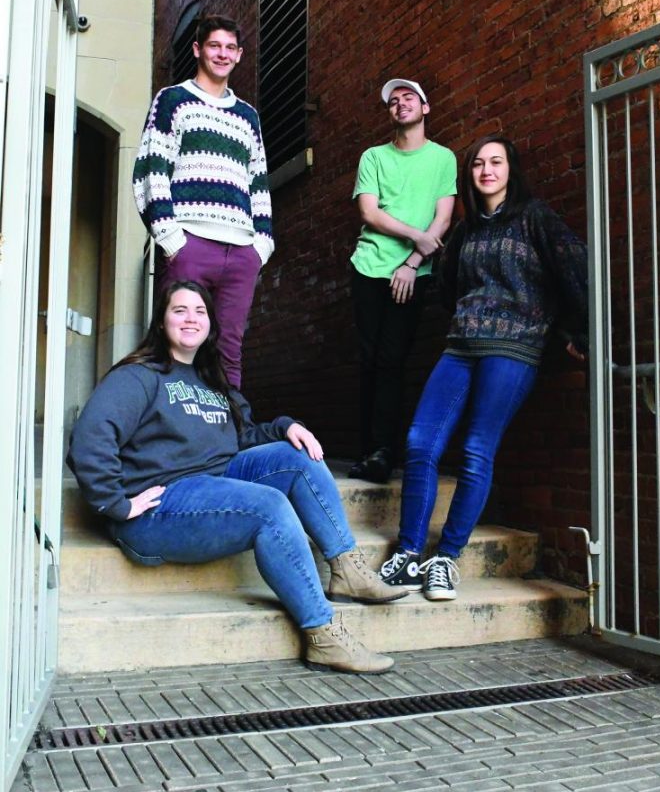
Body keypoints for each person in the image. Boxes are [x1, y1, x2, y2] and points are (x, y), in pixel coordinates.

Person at [67, 280, 408, 674]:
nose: (191, 319)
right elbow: (90, 437)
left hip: (214, 481)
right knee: (269, 507)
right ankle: (323, 633)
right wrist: (117, 503)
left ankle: (347, 569)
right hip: (161, 506)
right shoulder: (140, 376)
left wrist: (285, 427)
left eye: (200, 311)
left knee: (296, 456)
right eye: (179, 310)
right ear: (161, 323)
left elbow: (242, 437)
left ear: (211, 324)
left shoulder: (213, 381)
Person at [378, 135, 588, 600]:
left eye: (496, 162)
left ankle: (446, 559)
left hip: (513, 350)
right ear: (470, 173)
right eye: (478, 163)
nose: (486, 170)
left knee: (476, 450)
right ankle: (410, 553)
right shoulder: (467, 230)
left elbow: (576, 266)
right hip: (461, 346)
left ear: (510, 169)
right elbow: (448, 285)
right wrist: (467, 316)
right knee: (420, 443)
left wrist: (578, 332)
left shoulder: (536, 219)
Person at [133, 14, 272, 390]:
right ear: (198, 49)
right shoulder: (173, 100)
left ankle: (226, 438)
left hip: (242, 249)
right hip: (189, 243)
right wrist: (171, 237)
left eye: (230, 48)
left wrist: (261, 244)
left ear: (240, 55)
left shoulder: (247, 116)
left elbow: (257, 180)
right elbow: (151, 169)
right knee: (173, 344)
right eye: (214, 46)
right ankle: (165, 436)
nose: (222, 54)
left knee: (228, 348)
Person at [349, 78, 457, 484]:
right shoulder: (373, 157)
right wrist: (417, 237)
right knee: (371, 360)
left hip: (412, 273)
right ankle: (370, 450)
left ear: (425, 108)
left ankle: (383, 453)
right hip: (368, 267)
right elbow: (370, 214)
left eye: (408, 97)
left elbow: (443, 218)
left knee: (393, 360)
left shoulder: (443, 159)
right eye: (393, 102)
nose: (400, 104)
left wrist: (412, 263)